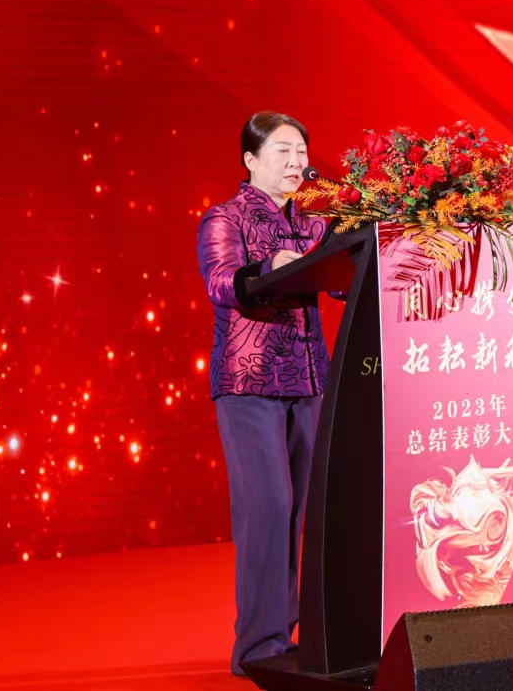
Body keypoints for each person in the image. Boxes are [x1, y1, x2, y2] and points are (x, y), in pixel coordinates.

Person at [196, 111, 330, 676]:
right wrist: (268, 267)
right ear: (250, 160)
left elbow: (342, 272)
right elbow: (222, 282)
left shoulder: (315, 225)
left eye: (301, 151)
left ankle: (289, 634)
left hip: (310, 378)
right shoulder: (223, 219)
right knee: (268, 508)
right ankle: (257, 646)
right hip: (249, 382)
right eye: (283, 151)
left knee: (304, 509)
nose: (296, 162)